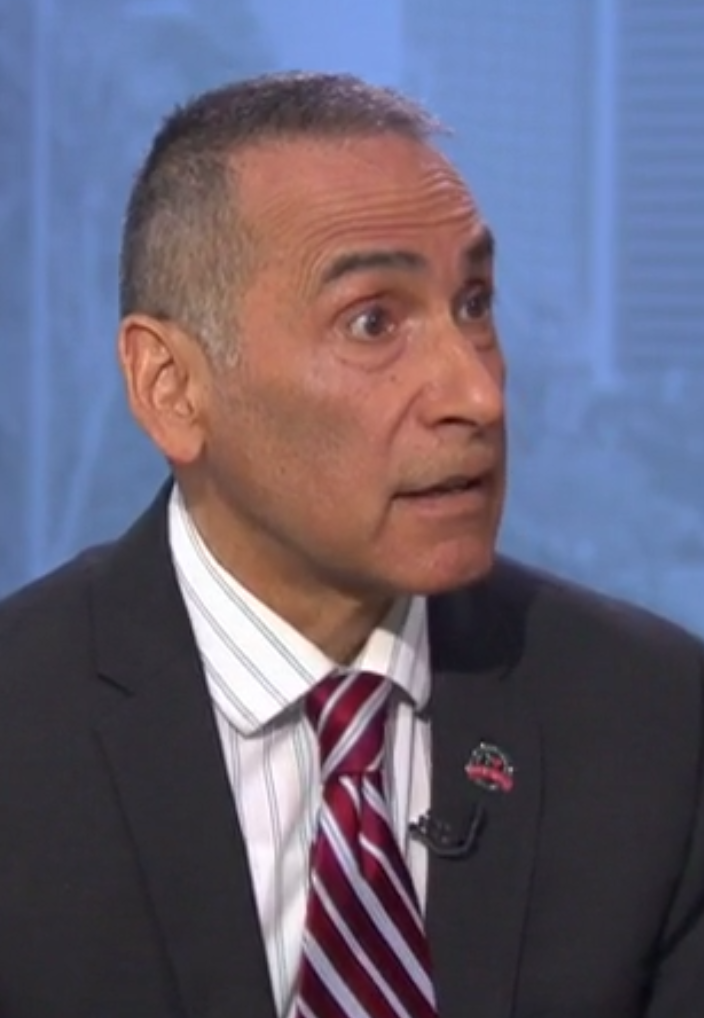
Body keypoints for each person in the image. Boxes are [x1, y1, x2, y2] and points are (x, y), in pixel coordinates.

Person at [0, 71, 702, 1018]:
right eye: (373, 322)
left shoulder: (656, 728)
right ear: (172, 387)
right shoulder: (22, 732)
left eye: (475, 304)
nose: (477, 395)